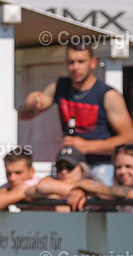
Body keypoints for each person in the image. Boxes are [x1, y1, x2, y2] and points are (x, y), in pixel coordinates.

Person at [20, 45, 133, 184]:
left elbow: (129, 138)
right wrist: (30, 103)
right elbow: (24, 115)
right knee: (44, 188)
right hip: (68, 165)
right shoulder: (59, 87)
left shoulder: (108, 95)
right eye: (71, 62)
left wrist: (88, 146)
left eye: (81, 62)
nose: (75, 67)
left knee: (97, 196)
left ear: (93, 62)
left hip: (101, 166)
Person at [66, 143, 133, 212]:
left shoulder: (116, 194)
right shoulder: (113, 196)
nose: (122, 171)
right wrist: (80, 191)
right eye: (118, 167)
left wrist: (89, 186)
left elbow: (128, 193)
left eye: (128, 166)